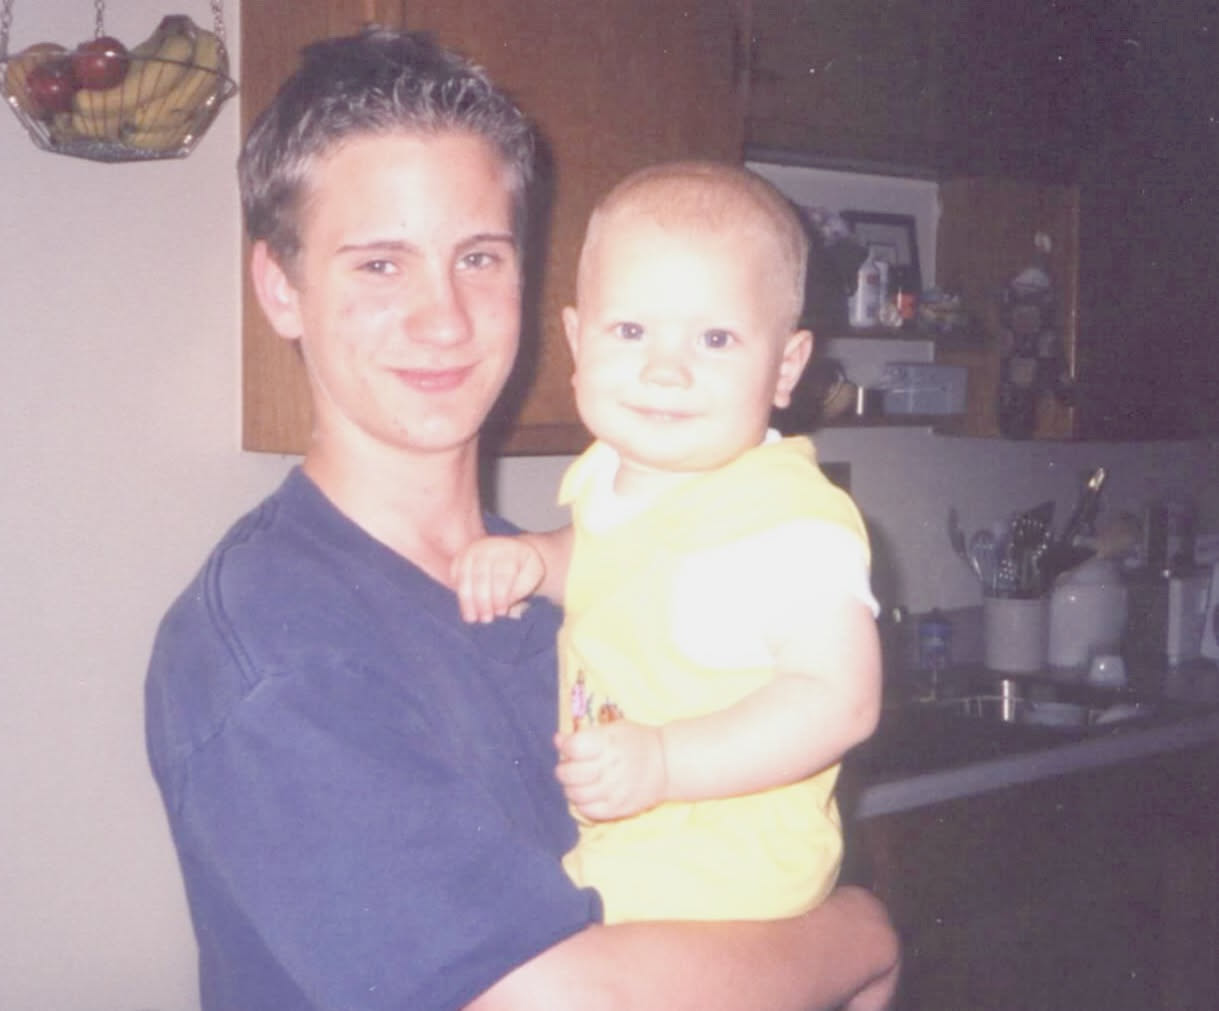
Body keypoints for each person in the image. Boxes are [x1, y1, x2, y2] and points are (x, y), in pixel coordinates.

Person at [145, 26, 899, 1011]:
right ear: (281, 289)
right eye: (380, 265)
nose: (445, 318)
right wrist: (858, 935)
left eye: (479, 257)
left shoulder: (576, 573)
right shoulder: (273, 648)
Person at [452, 162, 883, 930]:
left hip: (731, 857)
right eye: (630, 331)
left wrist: (665, 761)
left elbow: (840, 699)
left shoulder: (783, 518)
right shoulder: (609, 476)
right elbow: (612, 562)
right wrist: (539, 560)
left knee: (520, 940)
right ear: (577, 340)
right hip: (638, 838)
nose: (665, 369)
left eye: (714, 338)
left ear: (785, 366)